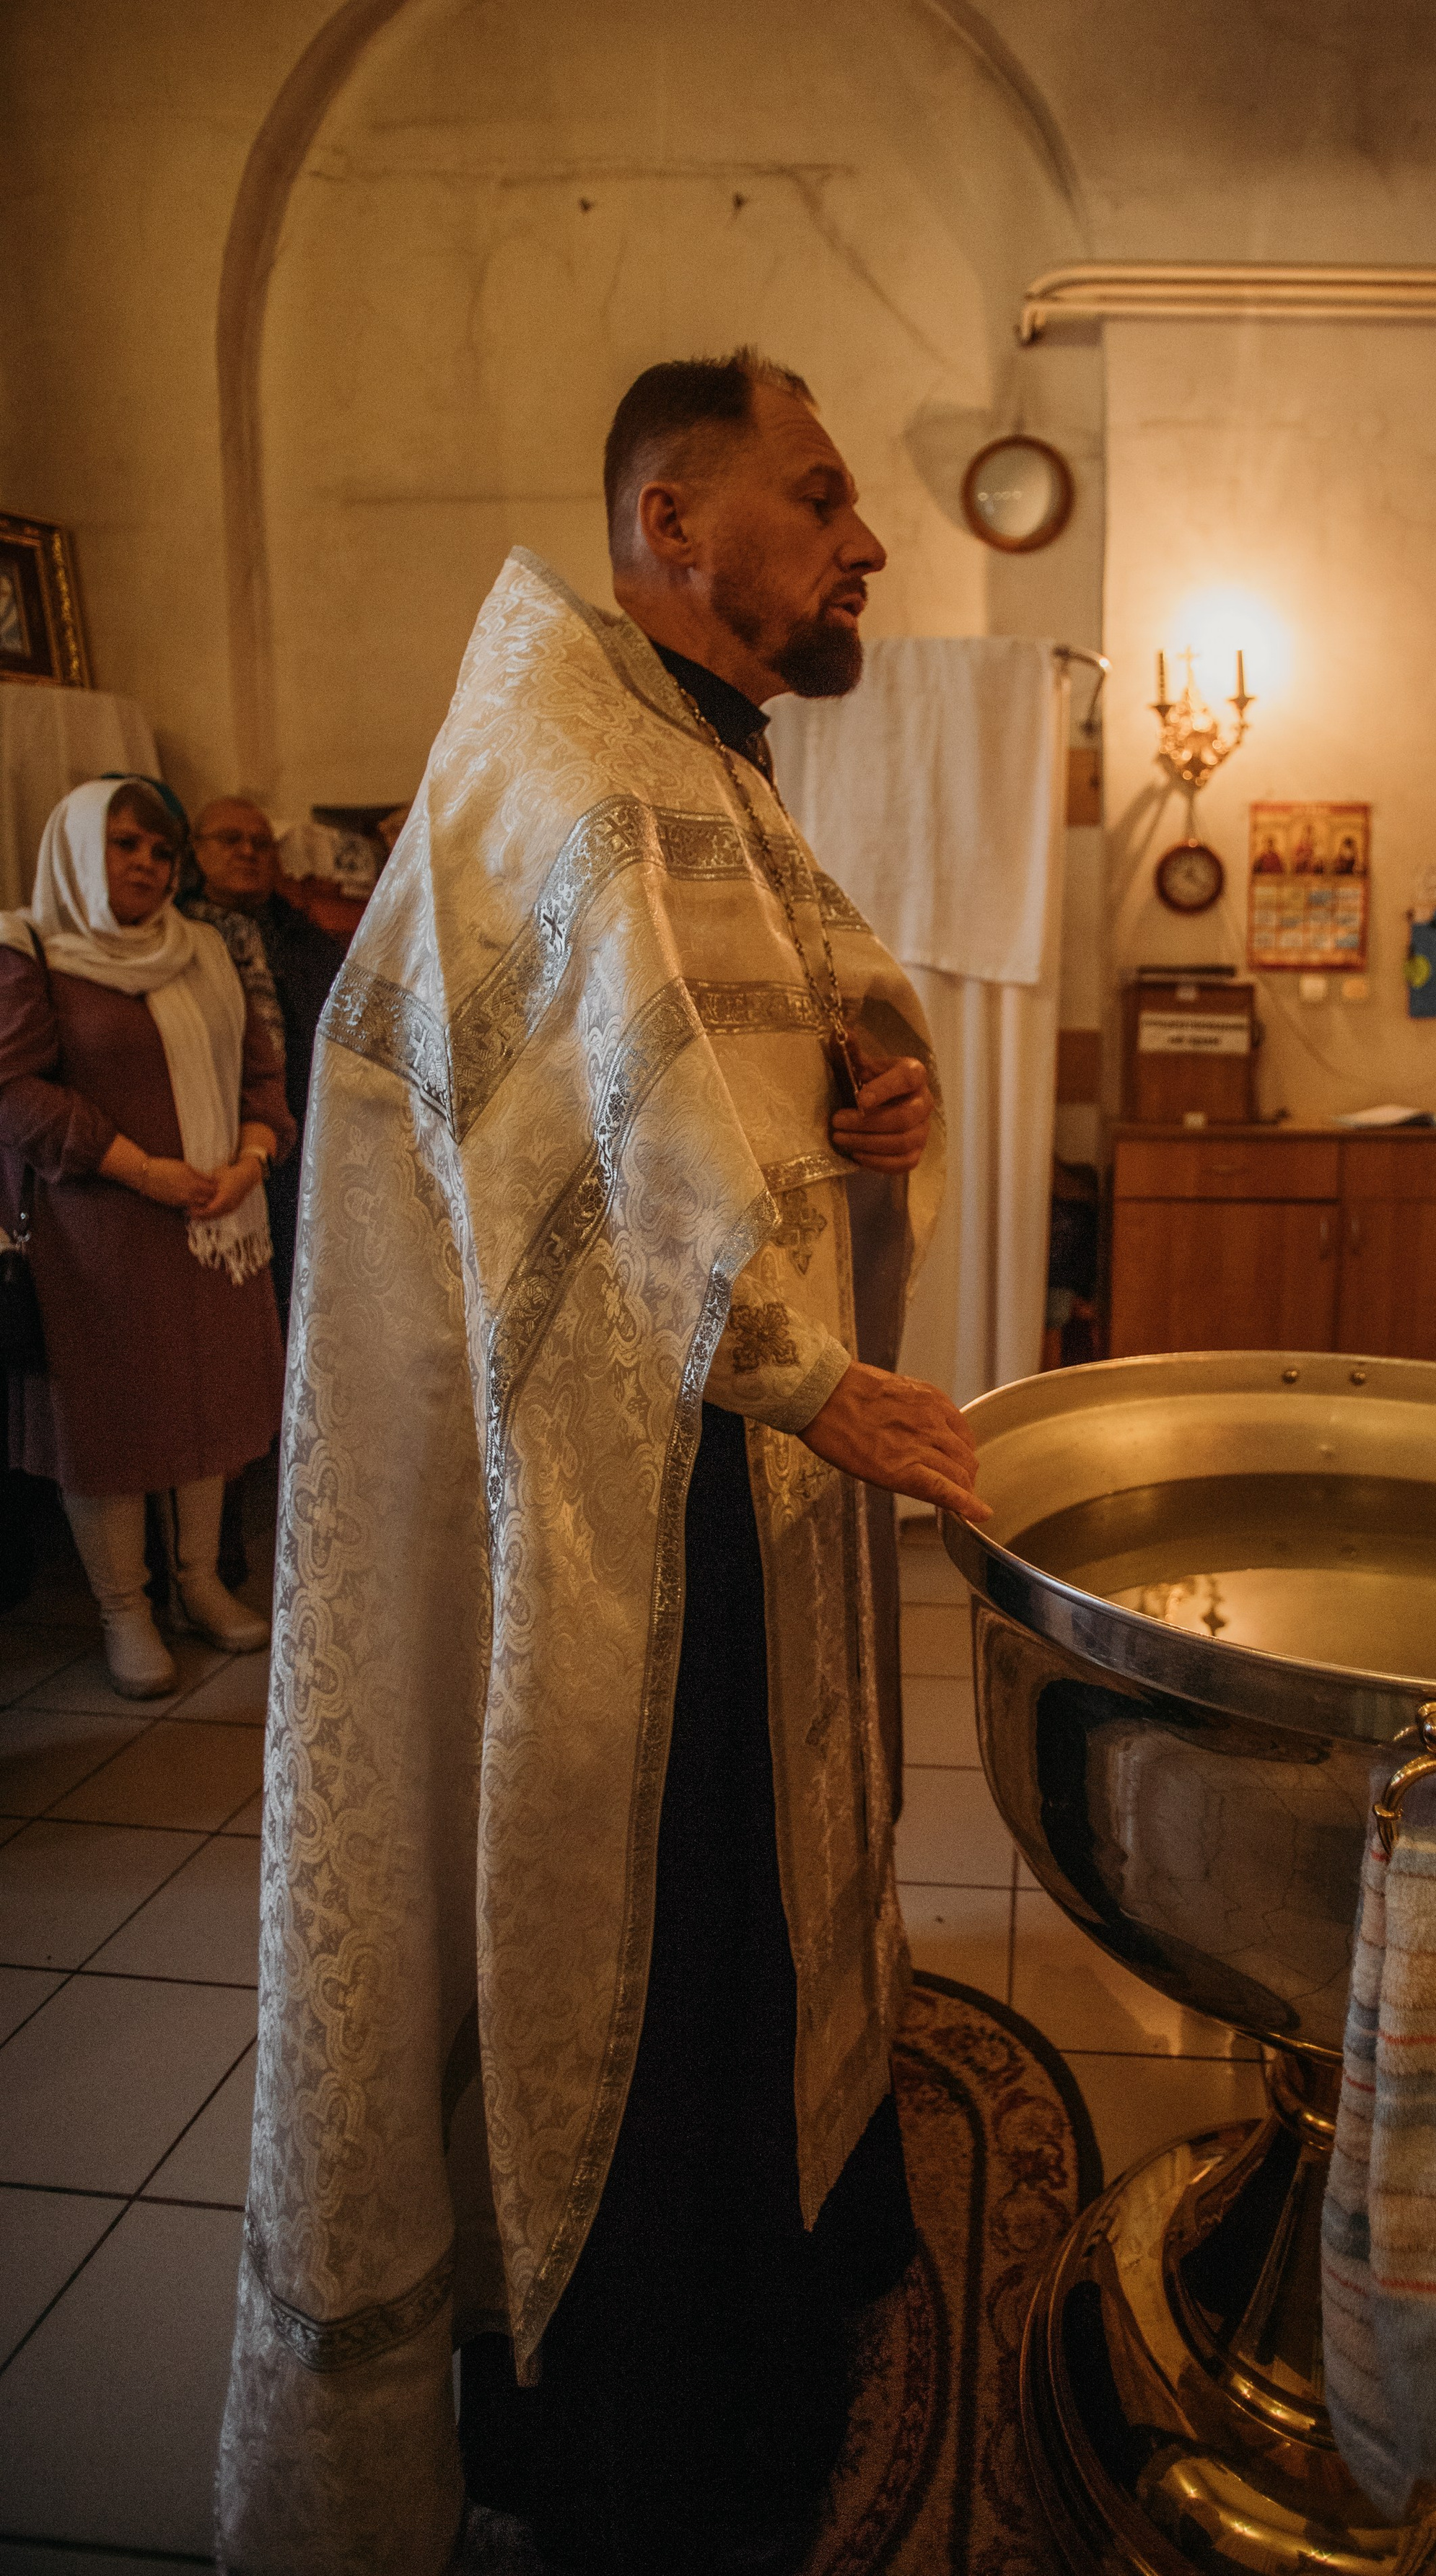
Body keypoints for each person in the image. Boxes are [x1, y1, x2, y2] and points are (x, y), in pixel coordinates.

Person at [218, 348, 986, 2576]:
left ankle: (793, 2291)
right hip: (610, 1526)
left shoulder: (699, 767)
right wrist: (800, 1366)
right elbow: (616, 1112)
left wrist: (883, 1103)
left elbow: (797, 1037)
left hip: (727, 1478)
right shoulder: (560, 760)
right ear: (674, 524)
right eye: (821, 495)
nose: (864, 540)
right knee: (655, 1972)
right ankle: (661, 2447)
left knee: (754, 1936)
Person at [0, 780, 291, 1695]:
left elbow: (261, 1067)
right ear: (79, 847)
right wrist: (142, 1168)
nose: (146, 865)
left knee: (206, 1406)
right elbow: (16, 1094)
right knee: (113, 1423)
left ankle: (200, 1584)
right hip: (99, 1232)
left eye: (162, 852)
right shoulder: (31, 950)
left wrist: (249, 1160)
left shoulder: (202, 947)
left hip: (215, 1217)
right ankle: (124, 1608)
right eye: (127, 844)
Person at [182, 796, 345, 1316]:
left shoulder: (309, 939)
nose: (248, 852)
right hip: (212, 1134)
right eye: (231, 840)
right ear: (195, 851)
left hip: (306, 1132)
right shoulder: (171, 938)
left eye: (260, 843)